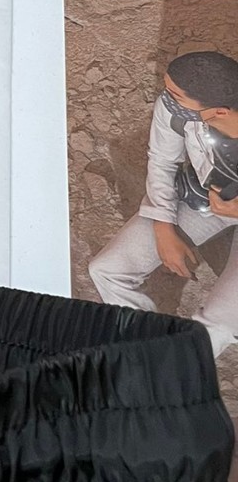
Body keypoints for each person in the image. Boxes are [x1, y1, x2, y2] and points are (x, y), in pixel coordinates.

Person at [88, 49, 238, 355]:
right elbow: (162, 161)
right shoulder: (177, 112)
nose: (167, 99)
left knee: (218, 325)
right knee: (107, 270)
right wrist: (163, 228)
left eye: (175, 95)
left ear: (220, 112)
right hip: (202, 198)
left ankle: (172, 374)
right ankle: (147, 353)